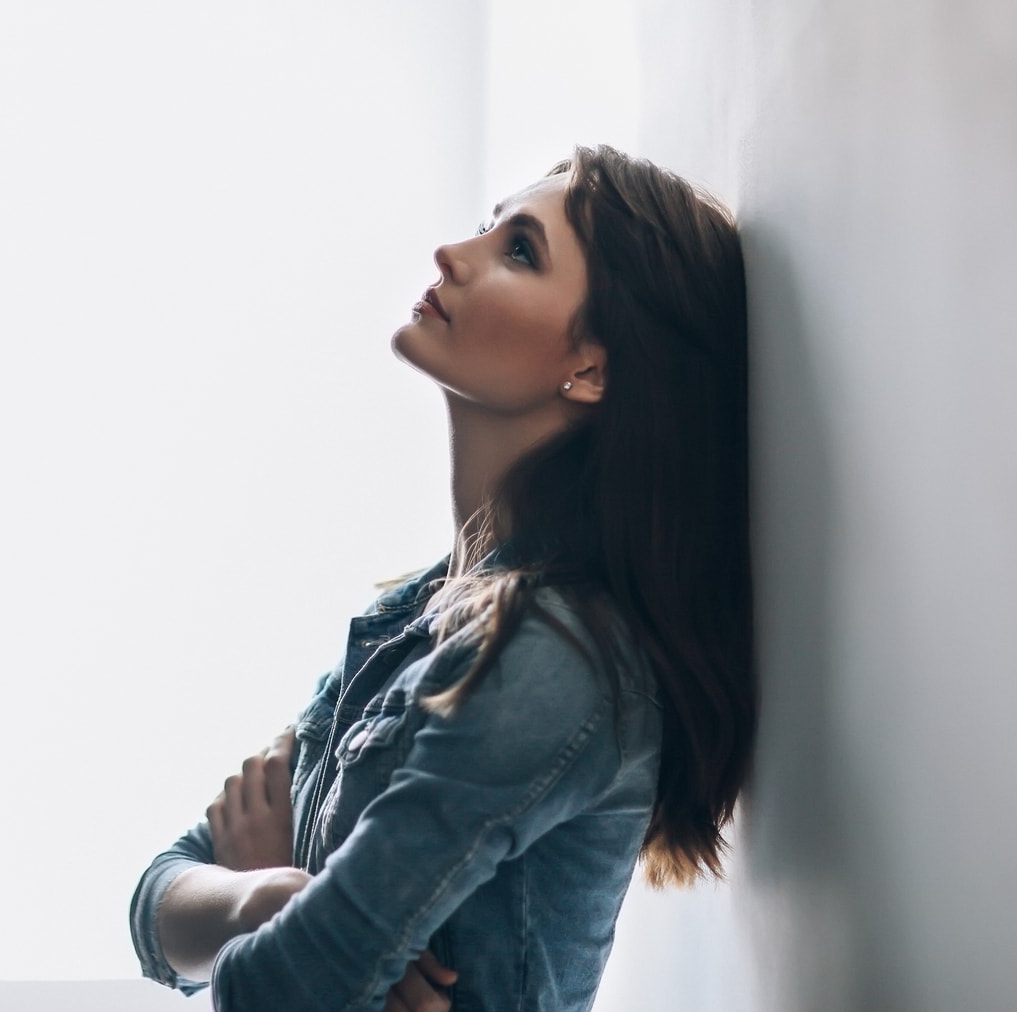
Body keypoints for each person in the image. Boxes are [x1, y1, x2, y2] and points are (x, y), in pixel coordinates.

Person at [129, 145, 756, 1012]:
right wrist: (270, 896)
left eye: (520, 250)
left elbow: (277, 990)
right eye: (484, 227)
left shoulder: (554, 655)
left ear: (593, 368)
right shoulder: (409, 615)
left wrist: (263, 915)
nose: (454, 255)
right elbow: (153, 903)